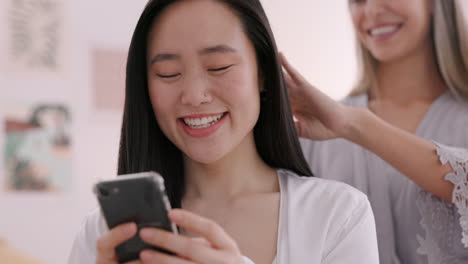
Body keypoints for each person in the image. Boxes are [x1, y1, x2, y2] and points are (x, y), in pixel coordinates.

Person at [68, 0, 379, 263]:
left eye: (218, 67)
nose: (193, 94)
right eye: (168, 73)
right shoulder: (104, 233)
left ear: (263, 75)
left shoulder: (337, 215)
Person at [280, 0, 468, 263]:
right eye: (358, 0)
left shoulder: (340, 121)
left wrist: (356, 125)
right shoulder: (316, 132)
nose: (372, 11)